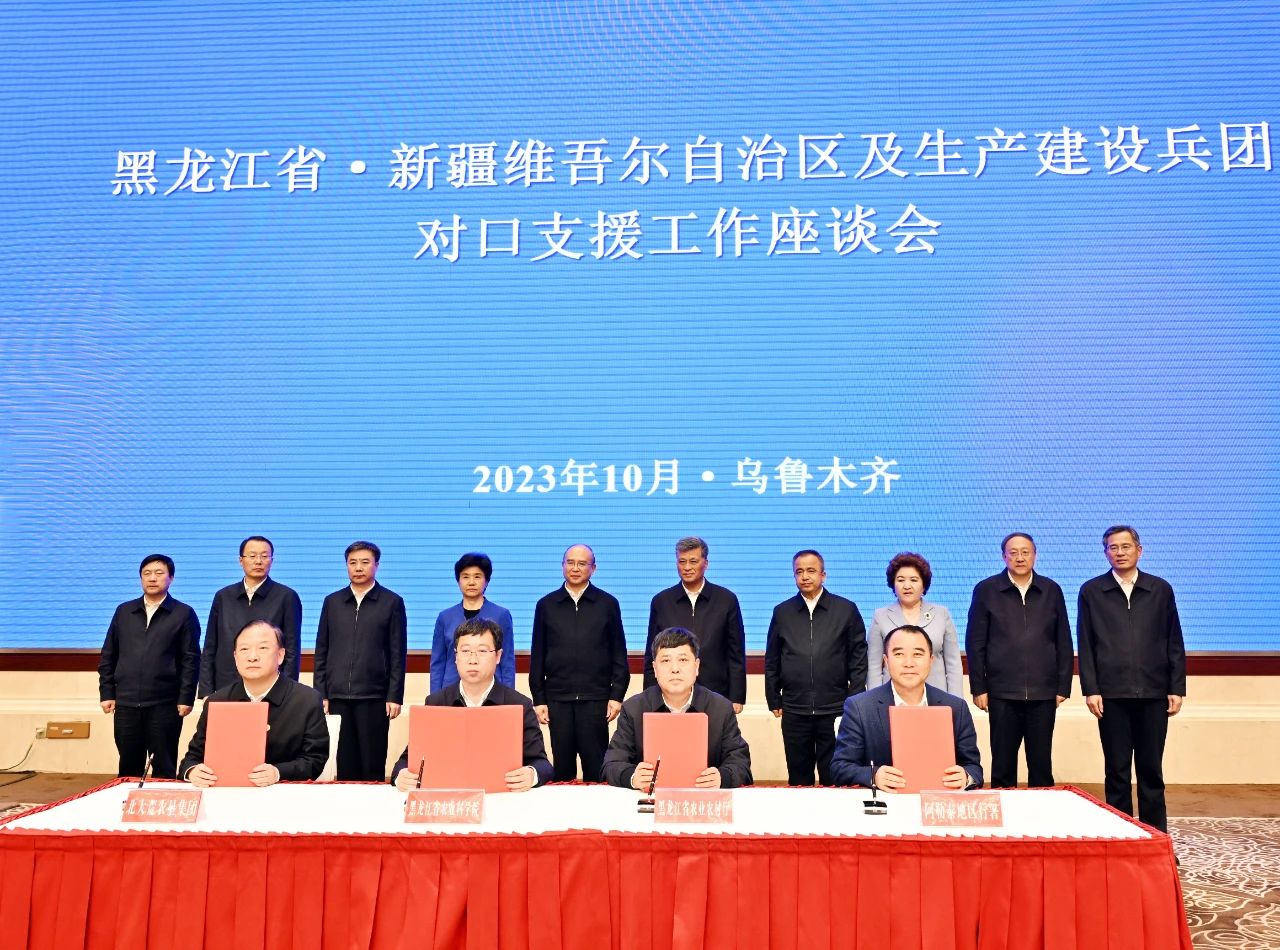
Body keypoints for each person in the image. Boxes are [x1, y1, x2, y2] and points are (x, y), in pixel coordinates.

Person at [1077, 525, 1186, 832]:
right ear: (1105, 553)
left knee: (1151, 770)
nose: (1120, 552)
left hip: (1153, 693)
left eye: (1126, 546)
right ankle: (1120, 834)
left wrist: (1176, 687)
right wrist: (1091, 689)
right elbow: (1086, 643)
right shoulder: (1092, 591)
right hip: (1111, 695)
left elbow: (1173, 640)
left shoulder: (1160, 589)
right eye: (1113, 547)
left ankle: (1155, 836)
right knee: (1117, 771)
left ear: (1139, 550)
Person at [391, 618, 551, 792]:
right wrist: (401, 775)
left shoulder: (519, 705)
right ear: (455, 656)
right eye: (465, 651)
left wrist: (531, 774)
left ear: (498, 656)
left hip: (501, 796)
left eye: (482, 651)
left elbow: (542, 764)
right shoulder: (436, 703)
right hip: (451, 798)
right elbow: (406, 761)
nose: (473, 660)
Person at [966, 532, 1073, 788]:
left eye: (1025, 552)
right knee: (1002, 765)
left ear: (1035, 555)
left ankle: (1041, 813)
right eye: (1013, 552)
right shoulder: (986, 590)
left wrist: (1062, 686)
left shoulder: (1051, 590)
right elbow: (975, 642)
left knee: (1041, 764)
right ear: (1004, 557)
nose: (1020, 557)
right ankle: (1006, 813)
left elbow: (1063, 640)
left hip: (1043, 692)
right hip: (1001, 693)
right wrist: (979, 687)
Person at [831, 625, 983, 791]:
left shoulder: (956, 707)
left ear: (931, 660)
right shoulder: (860, 707)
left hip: (937, 801)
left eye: (917, 654)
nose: (908, 663)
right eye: (899, 654)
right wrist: (873, 775)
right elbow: (840, 768)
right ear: (886, 661)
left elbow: (974, 769)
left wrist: (966, 777)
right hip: (886, 802)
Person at [763, 549, 867, 785]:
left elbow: (858, 659)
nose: (805, 576)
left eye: (811, 571)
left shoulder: (845, 609)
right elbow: (773, 659)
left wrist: (854, 699)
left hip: (836, 707)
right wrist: (773, 697)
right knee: (799, 778)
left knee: (835, 777)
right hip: (794, 708)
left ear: (823, 575)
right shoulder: (782, 612)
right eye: (799, 572)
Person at [180, 621, 329, 786]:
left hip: (283, 793)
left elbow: (315, 760)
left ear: (280, 655)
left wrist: (278, 772)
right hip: (228, 793)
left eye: (262, 648)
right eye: (244, 649)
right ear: (235, 657)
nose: (252, 657)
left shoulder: (306, 700)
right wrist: (192, 771)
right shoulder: (217, 701)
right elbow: (192, 758)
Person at [603, 628, 752, 790]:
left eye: (683, 660)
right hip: (652, 799)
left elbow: (741, 763)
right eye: (666, 661)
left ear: (697, 666)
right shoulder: (633, 709)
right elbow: (611, 764)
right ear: (654, 669)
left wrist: (723, 777)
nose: (675, 669)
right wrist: (632, 777)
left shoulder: (720, 708)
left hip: (702, 799)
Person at [528, 544, 629, 782]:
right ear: (562, 565)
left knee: (597, 769)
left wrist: (617, 695)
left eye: (582, 564)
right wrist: (539, 699)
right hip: (557, 699)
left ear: (593, 568)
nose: (575, 568)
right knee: (562, 770)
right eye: (570, 562)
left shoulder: (607, 604)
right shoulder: (546, 605)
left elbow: (619, 653)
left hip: (596, 699)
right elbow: (538, 654)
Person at [98, 554, 201, 779]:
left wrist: (186, 698)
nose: (152, 578)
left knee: (164, 765)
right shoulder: (124, 611)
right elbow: (109, 654)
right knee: (128, 765)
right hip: (126, 703)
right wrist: (107, 692)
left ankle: (162, 801)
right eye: (147, 573)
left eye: (159, 573)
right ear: (141, 578)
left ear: (171, 578)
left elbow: (191, 659)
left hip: (165, 704)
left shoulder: (183, 614)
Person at [313, 541, 408, 782]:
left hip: (375, 697)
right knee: (344, 763)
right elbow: (322, 650)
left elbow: (397, 653)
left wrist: (394, 695)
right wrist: (321, 693)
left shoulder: (391, 602)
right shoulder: (332, 602)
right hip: (337, 696)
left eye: (365, 562)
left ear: (377, 565)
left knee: (372, 762)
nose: (358, 568)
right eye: (352, 562)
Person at [643, 537, 747, 712]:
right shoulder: (661, 601)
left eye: (693, 561)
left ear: (706, 563)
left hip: (716, 693)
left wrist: (736, 696)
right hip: (671, 694)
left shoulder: (726, 599)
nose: (687, 567)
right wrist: (649, 695)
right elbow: (651, 654)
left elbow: (735, 652)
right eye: (682, 561)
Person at [199, 535, 303, 697]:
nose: (258, 561)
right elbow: (210, 646)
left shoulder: (286, 596)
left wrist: (288, 692)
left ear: (272, 560)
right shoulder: (223, 596)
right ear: (241, 560)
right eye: (252, 556)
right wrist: (206, 690)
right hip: (226, 685)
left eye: (264, 556)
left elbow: (292, 649)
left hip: (270, 687)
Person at [866, 552, 962, 694]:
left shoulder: (942, 614)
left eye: (914, 580)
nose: (907, 586)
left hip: (936, 696)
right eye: (900, 580)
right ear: (893, 584)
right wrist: (874, 701)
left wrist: (955, 701)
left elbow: (953, 663)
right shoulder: (880, 616)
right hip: (892, 696)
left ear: (924, 584)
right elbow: (873, 665)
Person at [430, 553, 515, 692]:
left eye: (477, 576)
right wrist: (435, 698)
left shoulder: (501, 615)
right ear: (458, 581)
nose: (471, 582)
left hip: (492, 691)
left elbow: (507, 663)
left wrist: (509, 698)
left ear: (486, 581)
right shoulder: (445, 617)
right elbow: (437, 664)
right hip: (451, 691)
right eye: (465, 577)